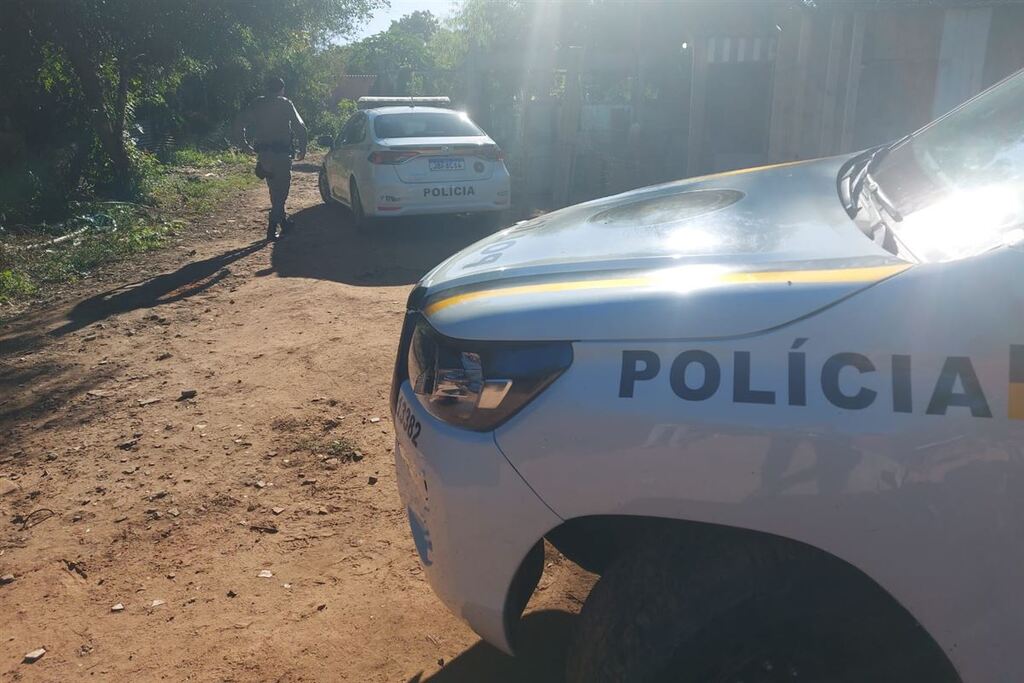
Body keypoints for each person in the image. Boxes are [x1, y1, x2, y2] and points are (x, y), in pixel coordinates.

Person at [234, 77, 308, 240]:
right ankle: (272, 228)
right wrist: (303, 148)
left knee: (274, 190)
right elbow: (300, 127)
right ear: (282, 89)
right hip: (281, 155)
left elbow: (239, 123)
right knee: (281, 192)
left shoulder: (257, 104)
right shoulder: (285, 103)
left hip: (264, 156)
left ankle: (284, 223)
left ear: (266, 88)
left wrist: (244, 145)